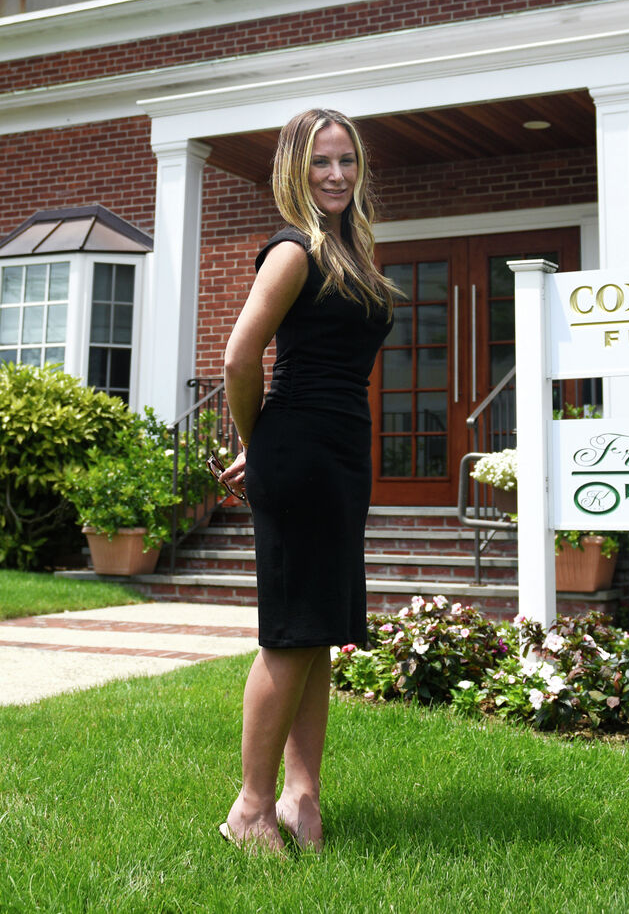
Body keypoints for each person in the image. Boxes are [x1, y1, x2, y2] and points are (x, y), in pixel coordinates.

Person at [218, 106, 397, 854]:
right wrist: (259, 445)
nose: (335, 174)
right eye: (322, 161)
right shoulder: (293, 250)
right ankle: (250, 810)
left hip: (339, 453)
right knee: (289, 636)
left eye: (347, 161)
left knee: (318, 634)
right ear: (295, 167)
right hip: (298, 449)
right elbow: (237, 358)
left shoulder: (352, 250)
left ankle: (303, 797)